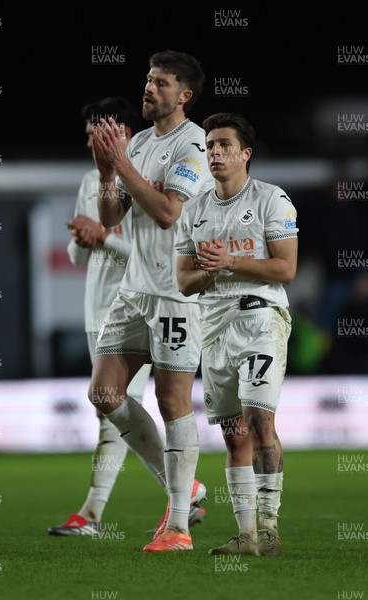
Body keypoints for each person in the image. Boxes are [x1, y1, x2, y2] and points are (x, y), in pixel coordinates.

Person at [88, 50, 213, 552]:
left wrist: (122, 166)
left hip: (174, 294)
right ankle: (187, 487)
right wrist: (105, 173)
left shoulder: (194, 146)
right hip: (134, 290)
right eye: (147, 79)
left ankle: (179, 526)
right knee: (104, 394)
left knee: (172, 402)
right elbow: (113, 216)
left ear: (183, 95)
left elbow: (166, 212)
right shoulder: (138, 142)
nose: (148, 88)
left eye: (160, 82)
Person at [175, 112, 298, 556]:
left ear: (246, 153)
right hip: (213, 327)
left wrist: (231, 262)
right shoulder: (194, 209)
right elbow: (184, 281)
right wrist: (211, 271)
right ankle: (245, 536)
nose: (215, 153)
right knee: (233, 432)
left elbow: (286, 268)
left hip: (260, 318)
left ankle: (269, 527)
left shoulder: (272, 200)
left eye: (224, 145)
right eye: (209, 146)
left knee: (259, 417)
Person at [48, 97, 164, 537]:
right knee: (111, 410)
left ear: (124, 134)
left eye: (98, 133)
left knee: (113, 404)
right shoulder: (90, 180)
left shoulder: (150, 183)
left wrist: (106, 238)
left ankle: (94, 514)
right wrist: (84, 237)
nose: (90, 142)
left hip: (137, 309)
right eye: (88, 135)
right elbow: (79, 257)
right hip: (96, 309)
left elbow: (154, 256)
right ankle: (181, 492)